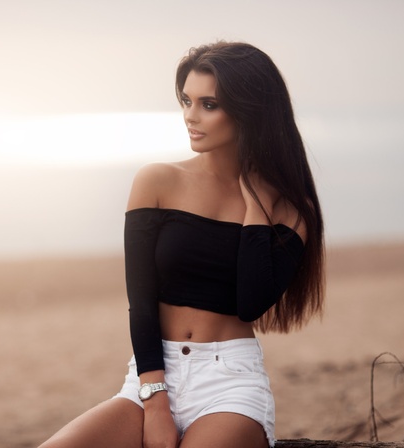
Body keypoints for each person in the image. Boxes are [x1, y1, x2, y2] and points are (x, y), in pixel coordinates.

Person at [39, 41, 324, 448]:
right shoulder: (156, 181)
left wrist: (256, 205)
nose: (191, 116)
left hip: (230, 386)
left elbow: (250, 303)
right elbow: (140, 298)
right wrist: (154, 400)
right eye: (187, 101)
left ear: (251, 112)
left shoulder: (291, 211)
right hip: (152, 375)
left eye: (209, 104)